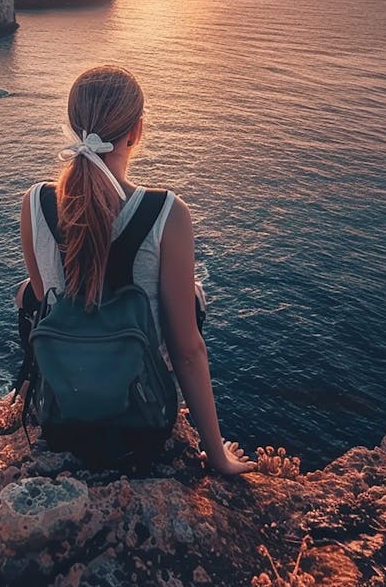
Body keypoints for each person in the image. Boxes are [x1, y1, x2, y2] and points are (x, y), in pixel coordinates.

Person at [18, 64, 255, 476]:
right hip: (141, 423)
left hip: (60, 414)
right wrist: (217, 455)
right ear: (137, 131)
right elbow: (187, 349)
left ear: (74, 128)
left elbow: (45, 302)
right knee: (191, 298)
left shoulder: (35, 203)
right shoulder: (166, 213)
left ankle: (27, 390)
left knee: (27, 292)